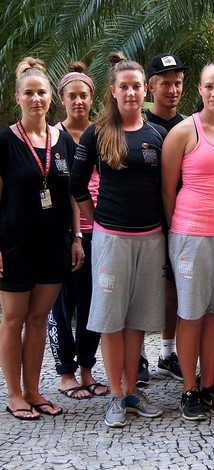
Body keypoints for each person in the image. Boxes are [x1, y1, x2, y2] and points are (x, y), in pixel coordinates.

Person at [71, 52, 167, 428]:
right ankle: (114, 394)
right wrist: (100, 224)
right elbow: (77, 186)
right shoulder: (98, 133)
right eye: (123, 86)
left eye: (136, 86)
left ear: (145, 90)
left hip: (150, 238)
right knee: (111, 319)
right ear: (112, 91)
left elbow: (164, 189)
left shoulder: (157, 135)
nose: (130, 92)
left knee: (136, 319)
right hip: (111, 239)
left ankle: (131, 391)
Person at [162, 62, 214, 420]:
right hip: (191, 234)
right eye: (209, 86)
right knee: (191, 314)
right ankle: (189, 389)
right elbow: (167, 191)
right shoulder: (184, 131)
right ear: (199, 89)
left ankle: (210, 385)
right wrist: (177, 234)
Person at [0, 57, 82, 420]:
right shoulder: (4, 141)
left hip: (54, 245)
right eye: (29, 93)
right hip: (15, 245)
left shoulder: (61, 139)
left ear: (52, 98)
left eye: (42, 93)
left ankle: (34, 390)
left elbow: (70, 194)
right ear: (18, 97)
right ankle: (14, 394)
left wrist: (77, 237)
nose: (36, 99)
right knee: (13, 320)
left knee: (38, 320)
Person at [47, 62, 108, 400]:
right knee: (62, 303)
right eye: (72, 96)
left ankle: (87, 367)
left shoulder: (100, 133)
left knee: (92, 302)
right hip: (65, 234)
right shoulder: (53, 136)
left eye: (84, 95)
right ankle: (65, 372)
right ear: (62, 99)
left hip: (100, 230)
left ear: (91, 97)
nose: (79, 102)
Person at [134, 53, 188, 388]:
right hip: (142, 222)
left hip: (180, 222)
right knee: (141, 290)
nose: (171, 89)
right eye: (165, 83)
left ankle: (168, 352)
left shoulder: (188, 124)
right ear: (151, 86)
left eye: (177, 83)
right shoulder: (138, 124)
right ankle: (137, 354)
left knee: (175, 290)